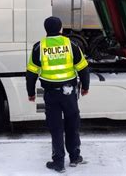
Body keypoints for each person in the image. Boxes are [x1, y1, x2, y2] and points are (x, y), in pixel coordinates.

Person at [26, 16, 90, 173]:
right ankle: (75, 157)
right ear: (61, 29)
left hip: (51, 94)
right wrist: (85, 86)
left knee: (55, 128)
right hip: (69, 93)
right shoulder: (71, 44)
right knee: (72, 124)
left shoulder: (39, 47)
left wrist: (30, 93)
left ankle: (59, 163)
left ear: (46, 29)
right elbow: (83, 68)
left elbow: (31, 73)